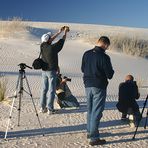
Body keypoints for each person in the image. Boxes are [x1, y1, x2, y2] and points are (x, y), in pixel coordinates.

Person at [81, 36, 114, 146]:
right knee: (97, 111)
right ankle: (94, 138)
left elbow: (82, 69)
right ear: (105, 45)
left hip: (87, 85)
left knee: (90, 109)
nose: (107, 48)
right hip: (99, 85)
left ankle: (90, 132)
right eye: (107, 46)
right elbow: (110, 75)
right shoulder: (104, 57)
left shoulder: (86, 53)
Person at [40, 26, 70, 114]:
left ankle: (42, 108)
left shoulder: (42, 46)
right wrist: (65, 33)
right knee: (52, 90)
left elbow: (49, 40)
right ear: (49, 40)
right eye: (50, 38)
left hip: (43, 71)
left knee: (44, 89)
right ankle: (50, 109)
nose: (51, 39)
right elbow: (62, 40)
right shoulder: (53, 48)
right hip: (51, 71)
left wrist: (58, 32)